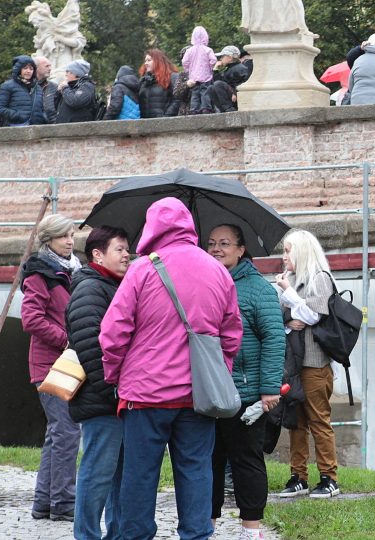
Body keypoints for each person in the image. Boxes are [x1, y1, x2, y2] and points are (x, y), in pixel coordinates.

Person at [99, 198, 242, 540]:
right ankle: (196, 535)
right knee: (196, 470)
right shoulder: (217, 270)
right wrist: (216, 371)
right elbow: (232, 334)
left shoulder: (142, 269)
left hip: (145, 395)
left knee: (140, 476)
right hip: (197, 395)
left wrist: (115, 375)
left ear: (152, 227)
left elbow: (112, 334)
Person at [207, 224, 284, 540]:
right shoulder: (205, 282)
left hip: (246, 392)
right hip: (208, 391)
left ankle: (251, 530)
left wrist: (268, 388)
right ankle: (205, 527)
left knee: (246, 462)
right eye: (211, 243)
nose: (216, 249)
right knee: (207, 463)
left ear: (241, 249)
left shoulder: (258, 289)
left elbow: (274, 339)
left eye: (225, 243)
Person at [67, 226, 130, 540]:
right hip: (102, 399)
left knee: (118, 475)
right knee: (97, 474)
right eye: (119, 249)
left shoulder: (111, 285)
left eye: (126, 249)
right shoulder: (91, 288)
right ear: (97, 253)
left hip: (117, 398)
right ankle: (87, 535)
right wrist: (114, 391)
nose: (126, 254)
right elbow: (90, 346)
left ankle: (116, 534)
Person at [274, 230, 342, 499]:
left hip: (315, 362)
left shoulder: (320, 279)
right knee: (295, 420)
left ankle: (329, 477)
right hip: (292, 362)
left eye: (288, 251)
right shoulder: (286, 281)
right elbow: (282, 316)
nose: (284, 257)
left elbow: (313, 315)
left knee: (318, 420)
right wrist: (290, 317)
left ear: (303, 252)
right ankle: (298, 476)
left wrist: (290, 296)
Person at [21, 213, 80, 523]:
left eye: (71, 234)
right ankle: (64, 503)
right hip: (50, 365)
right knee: (67, 433)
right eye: (62, 236)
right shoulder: (41, 273)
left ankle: (45, 503)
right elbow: (31, 319)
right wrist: (65, 340)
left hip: (65, 363)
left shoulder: (70, 270)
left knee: (57, 435)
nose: (69, 241)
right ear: (48, 240)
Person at [0, 55, 48, 126]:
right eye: (25, 68)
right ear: (18, 69)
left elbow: (42, 108)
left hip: (36, 128)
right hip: (15, 127)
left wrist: (43, 117)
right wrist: (18, 116)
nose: (28, 71)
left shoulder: (37, 87)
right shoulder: (7, 86)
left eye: (31, 69)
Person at [182, 25, 217, 114]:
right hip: (205, 75)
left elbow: (184, 61)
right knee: (205, 92)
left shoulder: (189, 50)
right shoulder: (208, 50)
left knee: (195, 93)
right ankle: (205, 108)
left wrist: (188, 69)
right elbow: (213, 60)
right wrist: (211, 66)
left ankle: (194, 109)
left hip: (193, 76)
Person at [210, 46, 252, 113]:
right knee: (211, 88)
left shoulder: (240, 68)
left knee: (218, 84)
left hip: (239, 98)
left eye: (222, 56)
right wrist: (216, 71)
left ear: (229, 58)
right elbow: (217, 84)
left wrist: (234, 93)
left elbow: (246, 83)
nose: (220, 59)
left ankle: (229, 109)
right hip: (232, 97)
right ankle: (224, 110)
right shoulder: (228, 69)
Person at [138, 48, 179, 118]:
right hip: (144, 124)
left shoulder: (172, 77)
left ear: (158, 61)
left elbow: (177, 99)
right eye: (145, 61)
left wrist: (166, 116)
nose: (146, 63)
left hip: (165, 124)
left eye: (149, 60)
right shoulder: (143, 80)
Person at [55, 59, 96, 123]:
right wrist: (58, 92)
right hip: (64, 128)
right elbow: (56, 107)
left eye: (68, 71)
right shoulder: (69, 87)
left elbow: (76, 102)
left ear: (76, 74)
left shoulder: (87, 86)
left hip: (78, 129)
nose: (66, 74)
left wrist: (65, 88)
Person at [33, 56, 58, 123]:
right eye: (46, 66)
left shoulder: (55, 87)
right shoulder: (26, 86)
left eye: (50, 66)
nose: (50, 69)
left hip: (52, 127)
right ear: (36, 68)